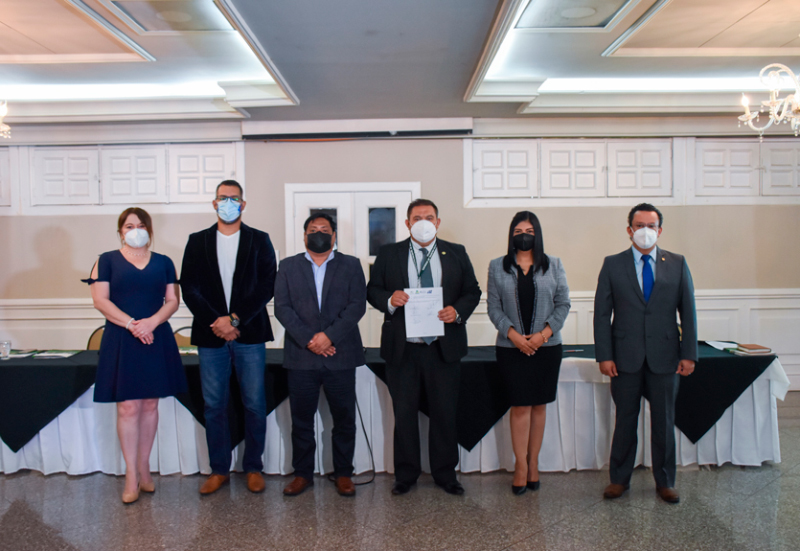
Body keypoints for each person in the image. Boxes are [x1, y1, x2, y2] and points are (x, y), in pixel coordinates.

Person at [367, 199, 481, 496]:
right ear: (407, 223)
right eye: (417, 217)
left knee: (444, 414)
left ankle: (445, 474)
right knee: (404, 414)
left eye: (429, 217)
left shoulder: (456, 252)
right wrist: (389, 299)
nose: (423, 222)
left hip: (443, 348)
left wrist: (457, 311)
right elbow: (372, 290)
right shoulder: (389, 253)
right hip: (403, 349)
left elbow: (472, 291)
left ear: (438, 222)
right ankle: (405, 475)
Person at [594, 203, 697, 504]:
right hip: (624, 358)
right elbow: (602, 314)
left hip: (666, 357)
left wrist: (689, 354)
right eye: (639, 225)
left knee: (664, 421)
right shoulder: (612, 264)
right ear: (629, 230)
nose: (645, 231)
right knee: (625, 420)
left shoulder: (677, 263)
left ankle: (665, 481)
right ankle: (619, 479)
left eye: (651, 226)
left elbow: (688, 311)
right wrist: (604, 355)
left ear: (660, 230)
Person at [180, 180, 277, 495]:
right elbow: (189, 288)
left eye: (234, 199)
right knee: (214, 405)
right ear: (214, 203)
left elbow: (267, 285)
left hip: (249, 334)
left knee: (254, 404)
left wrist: (234, 320)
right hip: (211, 336)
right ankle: (219, 469)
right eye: (223, 198)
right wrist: (217, 322)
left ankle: (253, 467)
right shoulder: (197, 241)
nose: (229, 203)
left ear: (243, 204)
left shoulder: (259, 240)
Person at [87, 207, 187, 504]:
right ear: (120, 231)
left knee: (151, 404)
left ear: (149, 230)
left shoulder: (164, 262)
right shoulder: (106, 260)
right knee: (128, 407)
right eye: (129, 226)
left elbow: (172, 300)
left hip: (155, 336)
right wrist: (132, 324)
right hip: (122, 337)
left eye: (141, 225)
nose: (135, 230)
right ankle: (131, 473)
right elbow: (100, 301)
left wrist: (151, 323)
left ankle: (145, 468)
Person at [274, 213, 367, 497]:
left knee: (344, 419)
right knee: (301, 421)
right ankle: (302, 474)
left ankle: (343, 473)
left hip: (340, 354)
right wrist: (311, 340)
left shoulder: (351, 265)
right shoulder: (288, 266)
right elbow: (282, 308)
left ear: (334, 236)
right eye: (313, 229)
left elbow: (357, 305)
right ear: (304, 236)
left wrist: (329, 337)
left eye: (324, 230)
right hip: (301, 357)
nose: (319, 233)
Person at [486, 211, 570, 496]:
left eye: (530, 231)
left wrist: (541, 336)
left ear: (538, 234)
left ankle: (534, 463)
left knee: (539, 406)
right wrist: (513, 336)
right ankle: (520, 465)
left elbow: (563, 304)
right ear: (511, 235)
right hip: (511, 349)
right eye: (519, 231)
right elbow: (493, 308)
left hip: (547, 347)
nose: (524, 236)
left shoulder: (554, 265)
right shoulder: (497, 266)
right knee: (520, 406)